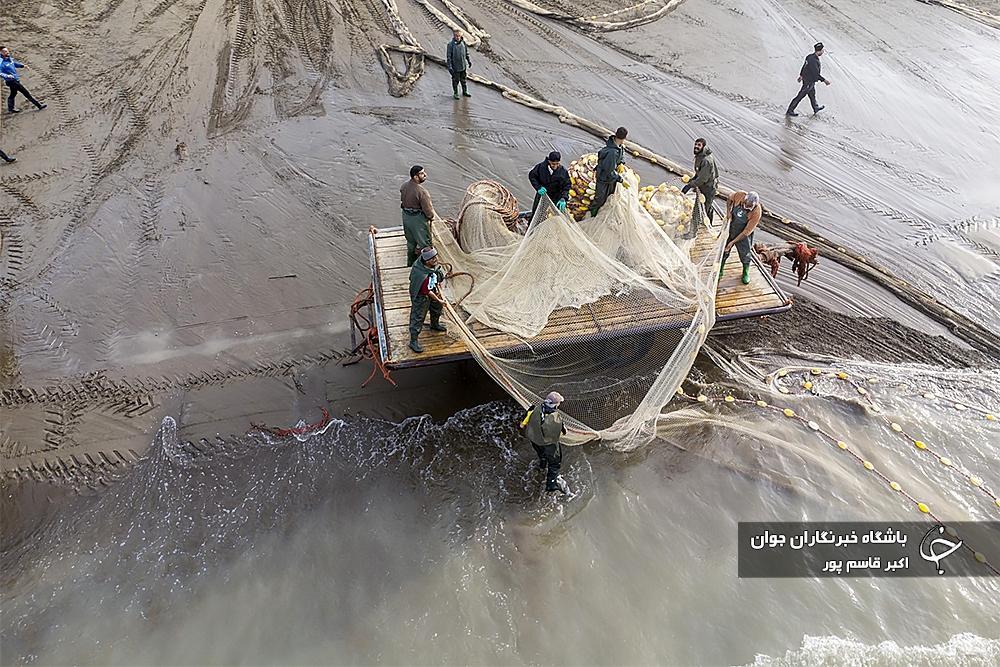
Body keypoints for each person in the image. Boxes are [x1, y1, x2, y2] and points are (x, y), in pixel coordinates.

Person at [519, 391, 570, 494]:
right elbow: (564, 433)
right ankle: (551, 484)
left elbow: (521, 425)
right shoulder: (556, 417)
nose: (559, 404)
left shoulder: (533, 409)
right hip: (548, 445)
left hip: (534, 440)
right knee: (554, 463)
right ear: (554, 404)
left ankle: (542, 466)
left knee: (542, 455)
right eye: (558, 403)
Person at [408, 246, 448, 354]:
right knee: (418, 317)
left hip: (432, 289)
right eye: (432, 259)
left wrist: (439, 288)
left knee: (436, 308)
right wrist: (440, 300)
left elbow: (436, 275)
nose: (435, 260)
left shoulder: (431, 266)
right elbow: (427, 291)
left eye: (436, 257)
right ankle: (413, 341)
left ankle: (434, 324)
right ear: (426, 261)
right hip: (422, 296)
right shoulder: (421, 274)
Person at [720, 191, 762, 285]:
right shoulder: (740, 195)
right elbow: (729, 198)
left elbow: (747, 232)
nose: (747, 207)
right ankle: (720, 269)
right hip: (732, 227)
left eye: (750, 206)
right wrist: (728, 212)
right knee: (724, 250)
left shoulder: (756, 212)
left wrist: (733, 243)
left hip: (743, 234)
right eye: (746, 204)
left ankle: (745, 272)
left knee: (745, 254)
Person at [400, 165, 437, 267]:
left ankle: (410, 263)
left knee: (411, 242)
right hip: (417, 220)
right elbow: (428, 211)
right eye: (422, 173)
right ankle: (424, 266)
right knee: (425, 243)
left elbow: (403, 201)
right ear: (415, 177)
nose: (425, 175)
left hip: (406, 217)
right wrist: (431, 217)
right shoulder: (422, 192)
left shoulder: (403, 186)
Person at [590, 126, 628, 217]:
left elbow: (622, 152)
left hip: (611, 178)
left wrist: (621, 163)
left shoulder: (618, 145)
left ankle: (601, 210)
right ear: (624, 138)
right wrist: (621, 180)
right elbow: (609, 171)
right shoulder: (612, 153)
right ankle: (593, 213)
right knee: (599, 198)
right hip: (604, 178)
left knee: (609, 195)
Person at [786, 42, 830, 117]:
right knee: (800, 96)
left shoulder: (809, 57)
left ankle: (815, 108)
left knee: (812, 95)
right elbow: (816, 74)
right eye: (822, 50)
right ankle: (790, 110)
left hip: (810, 81)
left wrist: (801, 75)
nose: (823, 51)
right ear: (819, 51)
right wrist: (824, 80)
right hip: (808, 81)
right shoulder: (814, 61)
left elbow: (804, 67)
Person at [681, 137, 719, 224]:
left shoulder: (706, 160)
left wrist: (690, 185)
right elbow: (699, 173)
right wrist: (693, 179)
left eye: (699, 145)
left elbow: (703, 179)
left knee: (701, 210)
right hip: (705, 185)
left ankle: (696, 230)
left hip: (709, 187)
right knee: (703, 206)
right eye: (695, 144)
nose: (696, 146)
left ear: (703, 146)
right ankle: (708, 218)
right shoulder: (700, 156)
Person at [1, 46, 46, 113]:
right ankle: (39, 106)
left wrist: (23, 66)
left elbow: (14, 64)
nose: (7, 52)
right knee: (26, 93)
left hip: (15, 79)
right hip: (11, 81)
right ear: (1, 53)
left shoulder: (9, 58)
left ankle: (10, 109)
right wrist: (7, 76)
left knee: (13, 94)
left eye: (7, 51)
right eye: (5, 51)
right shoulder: (1, 63)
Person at [527, 151, 571, 218]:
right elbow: (532, 176)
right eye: (553, 164)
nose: (555, 166)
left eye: (557, 164)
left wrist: (563, 198)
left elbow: (566, 185)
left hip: (556, 197)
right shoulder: (541, 167)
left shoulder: (563, 172)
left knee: (556, 215)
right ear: (549, 161)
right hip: (542, 195)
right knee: (537, 214)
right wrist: (538, 187)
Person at [446, 29, 472, 100]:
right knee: (455, 80)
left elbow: (466, 53)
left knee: (463, 80)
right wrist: (450, 67)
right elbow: (449, 57)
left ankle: (465, 91)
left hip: (463, 66)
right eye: (456, 36)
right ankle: (456, 93)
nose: (458, 37)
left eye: (459, 36)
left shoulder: (463, 43)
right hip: (455, 67)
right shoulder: (450, 45)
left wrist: (469, 61)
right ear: (454, 36)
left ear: (461, 36)